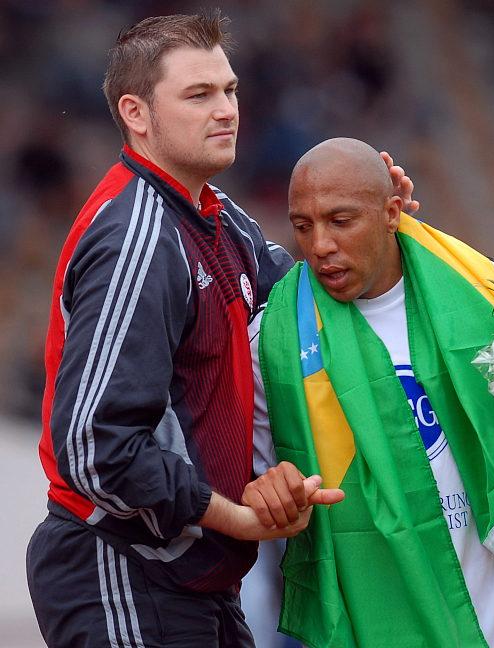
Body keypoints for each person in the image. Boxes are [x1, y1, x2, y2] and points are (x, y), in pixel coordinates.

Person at [26, 14, 422, 648]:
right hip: (121, 570)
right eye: (198, 95)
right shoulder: (137, 235)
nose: (226, 110)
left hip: (190, 577)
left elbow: (307, 299)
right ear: (135, 112)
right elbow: (94, 447)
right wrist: (235, 515)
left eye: (230, 90)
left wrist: (374, 223)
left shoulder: (212, 213)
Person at [248, 138, 494, 647]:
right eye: (302, 226)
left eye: (341, 220)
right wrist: (269, 498)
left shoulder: (484, 294)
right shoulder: (273, 342)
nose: (320, 244)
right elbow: (259, 490)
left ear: (392, 212)